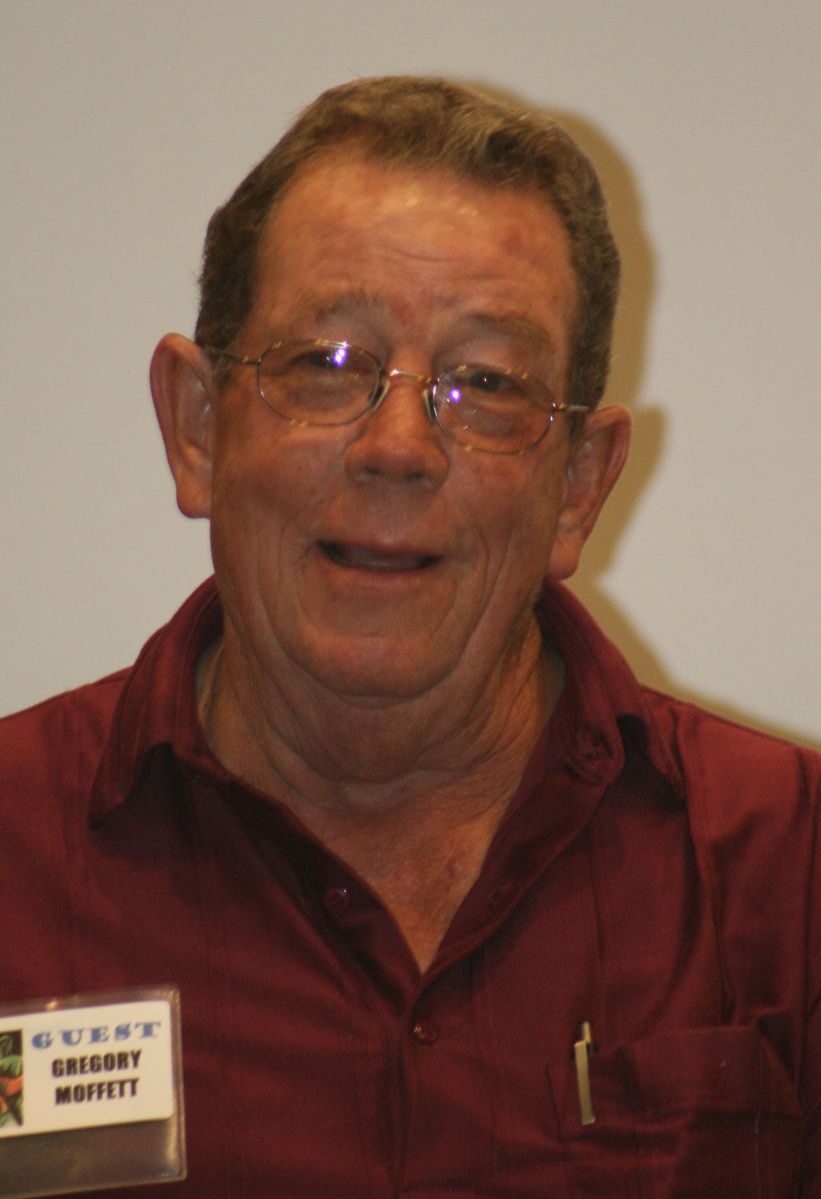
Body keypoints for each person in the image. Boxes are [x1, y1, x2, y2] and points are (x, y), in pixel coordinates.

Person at [2, 75, 818, 1197]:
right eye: (325, 363)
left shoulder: (787, 866)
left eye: (483, 383)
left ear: (579, 486)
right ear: (196, 428)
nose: (397, 447)